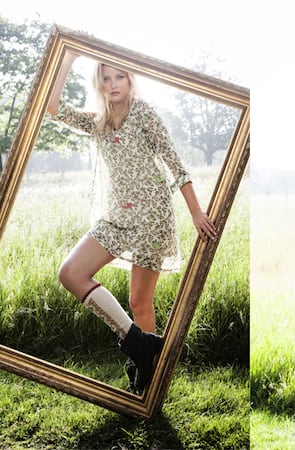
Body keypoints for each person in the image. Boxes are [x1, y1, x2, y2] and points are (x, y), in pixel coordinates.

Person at [46, 52, 217, 394]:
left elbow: (175, 163)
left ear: (130, 79)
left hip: (153, 216)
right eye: (106, 78)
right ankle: (138, 342)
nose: (112, 85)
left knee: (140, 301)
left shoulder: (144, 113)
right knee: (71, 273)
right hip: (117, 216)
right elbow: (53, 107)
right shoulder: (96, 121)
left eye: (119, 77)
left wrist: (196, 212)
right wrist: (68, 57)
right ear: (99, 82)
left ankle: (147, 383)